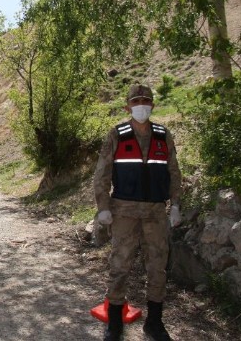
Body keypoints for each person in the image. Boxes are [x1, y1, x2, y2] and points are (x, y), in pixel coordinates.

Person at [93, 84, 182, 341]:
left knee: (157, 267)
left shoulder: (163, 135)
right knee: (119, 265)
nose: (141, 105)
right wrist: (103, 208)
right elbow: (102, 174)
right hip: (124, 212)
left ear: (152, 105)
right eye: (136, 101)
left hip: (155, 212)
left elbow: (174, 173)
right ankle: (115, 322)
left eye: (146, 100)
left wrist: (175, 205)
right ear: (127, 106)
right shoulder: (117, 135)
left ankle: (154, 322)